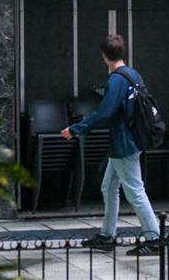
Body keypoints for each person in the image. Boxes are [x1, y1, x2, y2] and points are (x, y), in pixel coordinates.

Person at [60, 34, 161, 256]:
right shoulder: (133, 75)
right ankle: (107, 235)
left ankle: (154, 239)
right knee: (109, 187)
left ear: (104, 56)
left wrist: (75, 130)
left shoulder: (116, 80)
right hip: (132, 140)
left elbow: (104, 111)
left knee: (135, 191)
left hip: (124, 144)